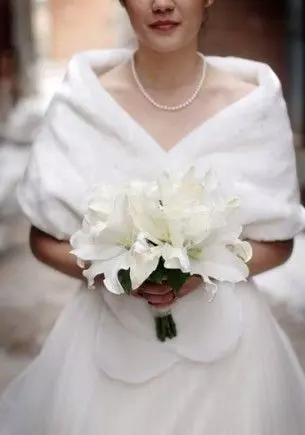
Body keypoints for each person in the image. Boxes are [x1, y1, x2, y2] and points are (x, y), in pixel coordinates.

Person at [1, 0, 305, 433]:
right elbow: (42, 237)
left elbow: (280, 241)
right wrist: (112, 269)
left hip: (231, 362)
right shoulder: (84, 102)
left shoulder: (253, 105)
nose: (162, 3)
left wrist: (204, 269)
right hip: (104, 353)